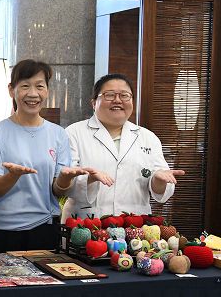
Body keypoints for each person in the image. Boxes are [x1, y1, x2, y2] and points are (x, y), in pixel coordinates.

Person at [0, 59, 90, 252]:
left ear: (47, 91)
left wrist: (65, 178)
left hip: (43, 229)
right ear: (11, 90)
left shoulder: (58, 134)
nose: (33, 93)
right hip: (1, 230)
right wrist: (13, 175)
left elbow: (58, 191)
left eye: (39, 86)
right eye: (25, 86)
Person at [62, 73, 183, 220]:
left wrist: (158, 180)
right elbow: (64, 181)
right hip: (86, 222)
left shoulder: (148, 137)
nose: (117, 100)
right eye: (109, 95)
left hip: (134, 224)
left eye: (124, 95)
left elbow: (161, 191)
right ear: (94, 103)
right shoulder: (73, 133)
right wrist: (90, 179)